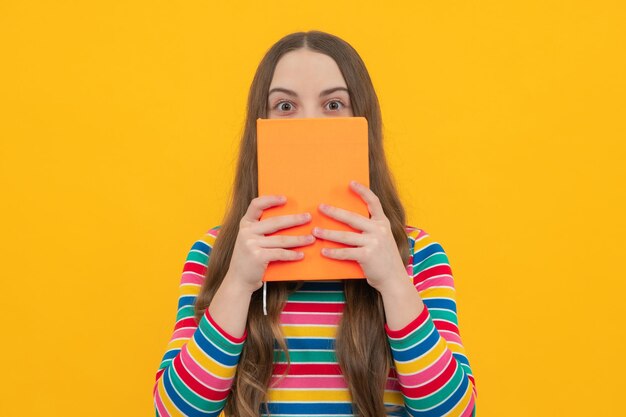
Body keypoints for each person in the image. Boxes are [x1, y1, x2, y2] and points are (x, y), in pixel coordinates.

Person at [153, 30, 477, 417]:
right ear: (260, 125)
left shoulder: (417, 255)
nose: (310, 123)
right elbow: (175, 411)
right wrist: (238, 283)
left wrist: (393, 282)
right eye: (286, 106)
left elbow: (454, 411)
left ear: (364, 123)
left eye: (334, 103)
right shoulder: (215, 253)